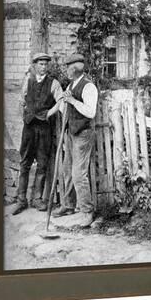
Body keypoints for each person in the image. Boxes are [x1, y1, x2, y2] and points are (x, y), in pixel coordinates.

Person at [11, 53, 63, 215]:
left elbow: (61, 100)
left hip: (44, 129)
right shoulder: (28, 81)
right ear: (35, 66)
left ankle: (37, 199)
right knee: (25, 163)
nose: (43, 67)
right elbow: (21, 100)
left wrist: (49, 113)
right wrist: (24, 115)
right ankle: (21, 200)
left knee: (42, 163)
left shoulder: (53, 83)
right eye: (40, 64)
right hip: (29, 127)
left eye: (45, 64)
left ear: (48, 66)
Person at [52, 53, 98, 228]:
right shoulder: (71, 85)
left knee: (79, 173)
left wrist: (72, 100)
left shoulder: (89, 87)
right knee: (66, 170)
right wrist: (64, 102)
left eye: (67, 67)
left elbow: (90, 112)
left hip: (84, 134)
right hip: (71, 133)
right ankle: (69, 205)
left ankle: (87, 211)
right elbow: (66, 110)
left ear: (74, 69)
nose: (66, 70)